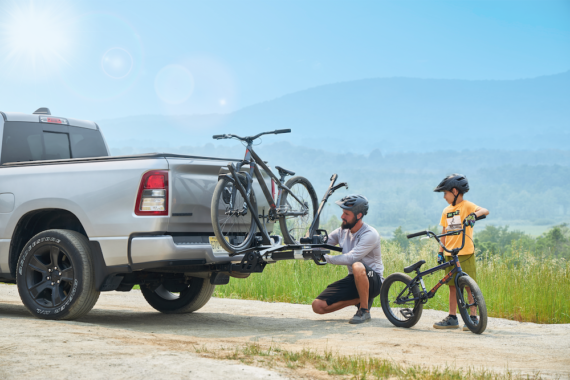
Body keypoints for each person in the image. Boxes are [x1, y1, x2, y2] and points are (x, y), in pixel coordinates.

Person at [311, 194, 384, 324]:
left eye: (346, 214)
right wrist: (309, 246)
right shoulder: (342, 231)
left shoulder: (370, 234)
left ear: (359, 215)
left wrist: (327, 258)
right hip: (354, 279)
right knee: (317, 306)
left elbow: (352, 258)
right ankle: (360, 300)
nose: (342, 216)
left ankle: (364, 311)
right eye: (343, 212)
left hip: (374, 279)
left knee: (357, 265)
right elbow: (323, 245)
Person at [432, 174, 489, 331]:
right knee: (452, 287)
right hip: (450, 254)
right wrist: (440, 252)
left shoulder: (467, 206)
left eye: (446, 193)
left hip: (465, 253)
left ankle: (472, 316)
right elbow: (443, 232)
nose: (444, 197)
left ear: (455, 191)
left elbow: (485, 211)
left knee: (469, 286)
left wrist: (473, 216)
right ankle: (452, 317)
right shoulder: (446, 211)